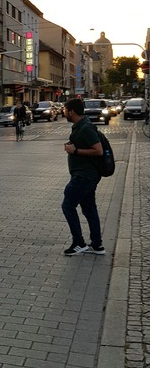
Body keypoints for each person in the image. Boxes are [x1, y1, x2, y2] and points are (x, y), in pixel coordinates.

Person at [62, 98, 104, 256]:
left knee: (67, 206)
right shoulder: (80, 126)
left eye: (65, 110)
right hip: (86, 175)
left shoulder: (85, 128)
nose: (64, 112)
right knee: (89, 209)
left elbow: (98, 150)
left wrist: (75, 151)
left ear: (72, 111)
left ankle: (79, 242)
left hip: (84, 176)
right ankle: (97, 245)